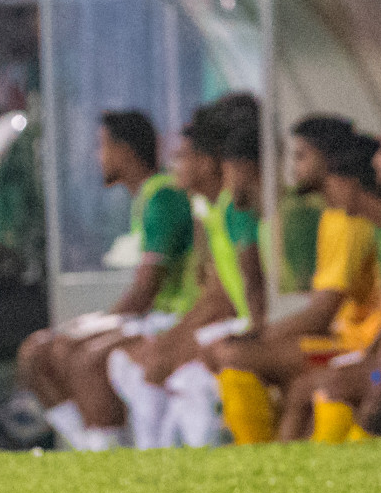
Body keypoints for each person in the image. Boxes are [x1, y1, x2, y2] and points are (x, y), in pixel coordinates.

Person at [18, 110, 196, 451]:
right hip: (153, 317)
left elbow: (145, 291)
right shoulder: (145, 199)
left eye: (101, 146)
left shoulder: (163, 197)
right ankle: (91, 445)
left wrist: (97, 326)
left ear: (125, 151)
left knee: (79, 356)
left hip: (172, 318)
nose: (95, 157)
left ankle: (105, 448)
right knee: (36, 353)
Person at [207, 117, 381, 443]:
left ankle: (263, 458)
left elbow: (321, 311)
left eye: (302, 155)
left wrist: (263, 335)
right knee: (242, 359)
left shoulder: (349, 221)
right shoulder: (331, 216)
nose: (293, 166)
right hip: (344, 340)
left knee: (238, 357)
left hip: (354, 345)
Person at [111, 97, 266, 449]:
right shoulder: (209, 209)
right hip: (223, 322)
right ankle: (151, 460)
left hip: (239, 323)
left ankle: (166, 459)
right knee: (134, 363)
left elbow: (238, 292)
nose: (174, 164)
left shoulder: (232, 208)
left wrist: (181, 343)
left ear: (210, 162)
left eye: (183, 156)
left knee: (177, 375)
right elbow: (216, 288)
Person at [280, 115, 381, 442]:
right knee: (337, 385)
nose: (377, 160)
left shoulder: (379, 222)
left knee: (340, 387)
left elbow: (325, 310)